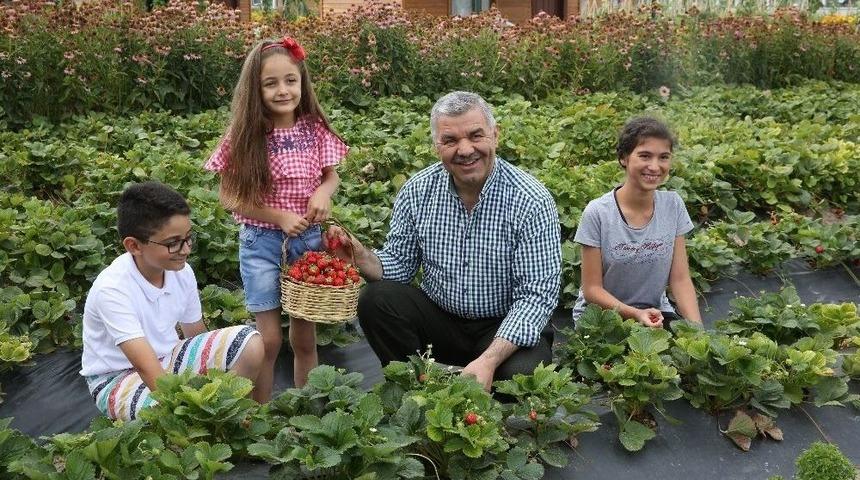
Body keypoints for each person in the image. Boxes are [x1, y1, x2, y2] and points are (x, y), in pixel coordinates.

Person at [326, 91, 561, 391]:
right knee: (376, 300)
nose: (465, 150)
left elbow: (535, 297)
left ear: (495, 136)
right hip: (440, 320)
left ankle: (464, 379)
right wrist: (361, 257)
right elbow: (399, 265)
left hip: (500, 325)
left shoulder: (530, 199)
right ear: (437, 145)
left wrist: (488, 361)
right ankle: (418, 387)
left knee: (523, 376)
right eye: (450, 140)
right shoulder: (418, 190)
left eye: (476, 135)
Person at [205, 36, 349, 401]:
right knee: (267, 340)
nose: (283, 90)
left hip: (308, 242)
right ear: (255, 88)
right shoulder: (247, 135)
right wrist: (278, 216)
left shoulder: (313, 128)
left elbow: (331, 176)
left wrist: (322, 193)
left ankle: (309, 407)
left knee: (304, 334)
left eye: (290, 80)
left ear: (302, 82)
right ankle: (261, 414)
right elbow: (229, 196)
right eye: (271, 83)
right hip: (262, 243)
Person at [79, 182, 264, 421]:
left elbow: (195, 334)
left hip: (169, 357)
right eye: (173, 243)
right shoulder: (112, 289)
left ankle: (233, 419)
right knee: (163, 413)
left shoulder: (181, 272)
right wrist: (195, 406)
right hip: (117, 377)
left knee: (250, 343)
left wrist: (212, 382)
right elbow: (146, 367)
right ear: (134, 245)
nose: (185, 249)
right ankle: (202, 429)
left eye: (188, 238)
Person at [573, 116, 702, 328]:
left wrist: (698, 333)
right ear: (624, 158)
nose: (654, 166)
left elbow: (680, 279)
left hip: (654, 312)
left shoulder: (673, 205)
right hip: (602, 317)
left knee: (679, 358)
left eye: (663, 157)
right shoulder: (598, 213)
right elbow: (592, 290)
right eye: (644, 156)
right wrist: (635, 314)